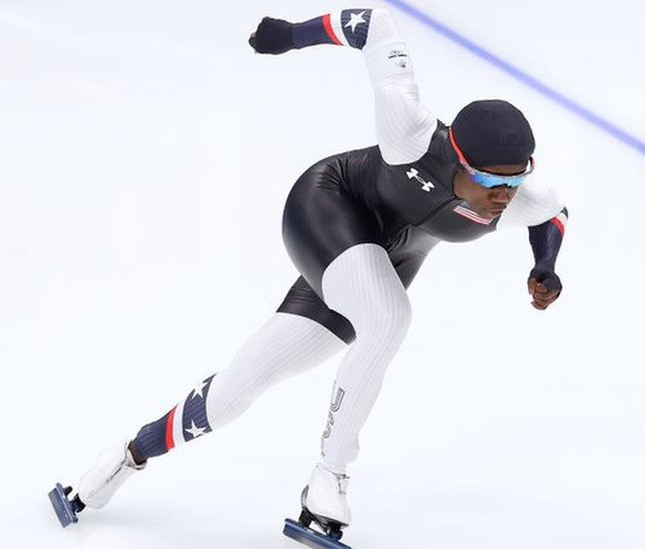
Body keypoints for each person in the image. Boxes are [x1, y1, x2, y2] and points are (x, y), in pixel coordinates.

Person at [48, 8, 568, 545]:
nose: (502, 194)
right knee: (389, 318)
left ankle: (122, 459)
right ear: (457, 157)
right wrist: (292, 37)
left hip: (384, 261)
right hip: (329, 207)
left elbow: (553, 214)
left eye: (515, 178)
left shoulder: (519, 199)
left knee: (234, 393)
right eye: (487, 179)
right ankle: (330, 477)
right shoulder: (408, 131)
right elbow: (375, 24)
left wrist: (545, 265)